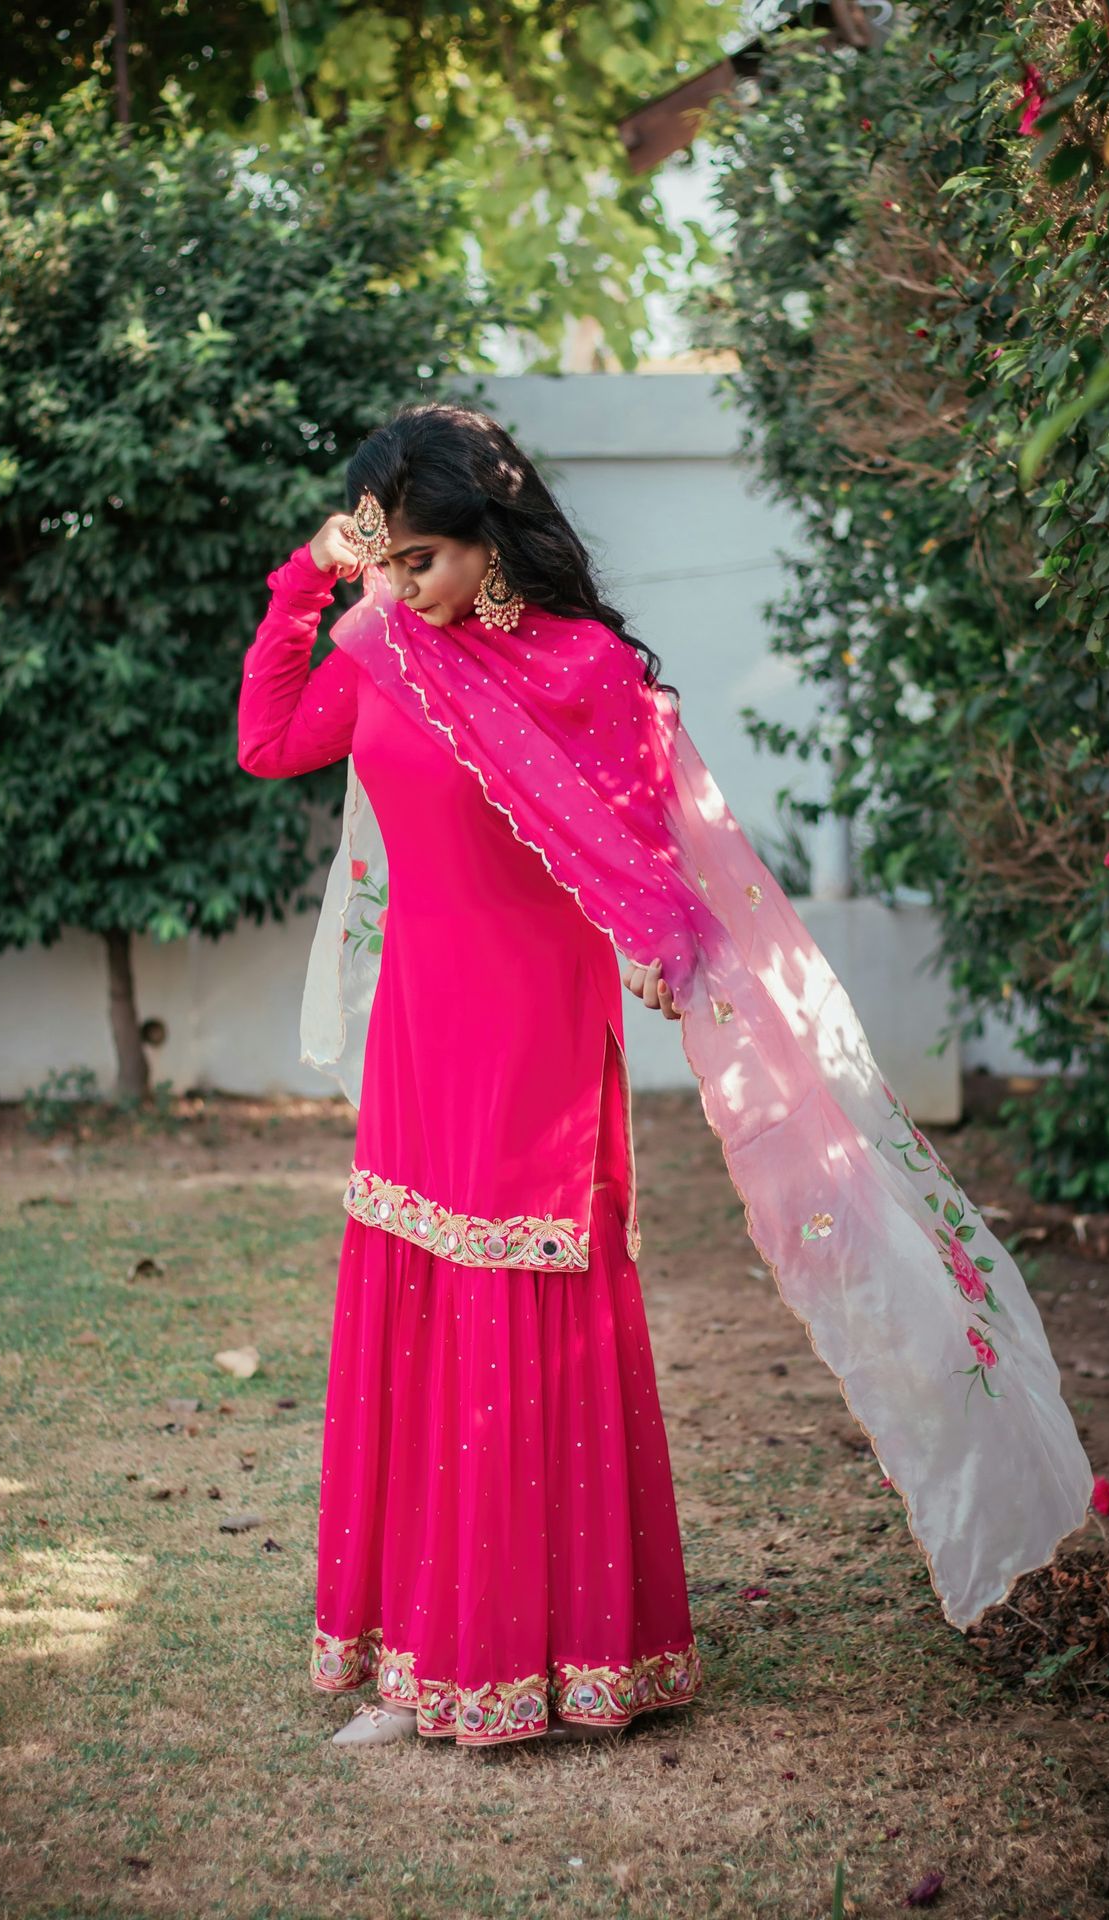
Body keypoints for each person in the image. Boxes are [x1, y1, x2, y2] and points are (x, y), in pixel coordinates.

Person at [237, 401, 703, 1750]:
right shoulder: (383, 647)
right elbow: (271, 742)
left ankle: (549, 1659)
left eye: (425, 556)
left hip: (538, 1036)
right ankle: (421, 1659)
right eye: (390, 554)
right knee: (425, 1320)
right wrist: (307, 581)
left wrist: (657, 943)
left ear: (493, 545)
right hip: (421, 1032)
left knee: (519, 1324)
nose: (407, 581)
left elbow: (640, 855)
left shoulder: (587, 669)